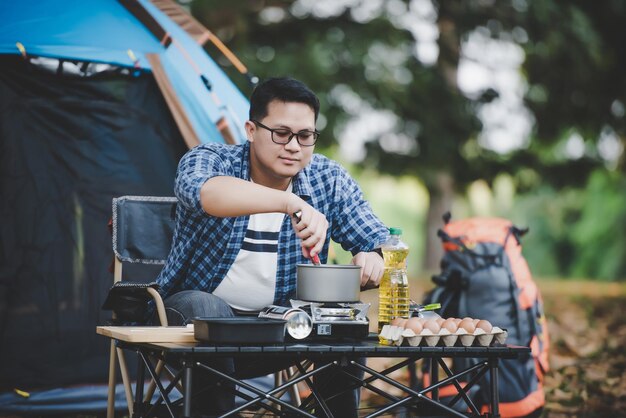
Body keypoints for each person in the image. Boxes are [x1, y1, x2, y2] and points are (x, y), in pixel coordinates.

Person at [156, 77, 389, 417]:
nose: (294, 146)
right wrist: (288, 202)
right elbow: (205, 192)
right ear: (251, 129)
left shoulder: (329, 178)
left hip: (284, 327)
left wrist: (374, 258)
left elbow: (381, 240)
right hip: (193, 324)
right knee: (207, 306)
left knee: (343, 319)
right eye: (281, 133)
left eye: (305, 136)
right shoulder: (211, 159)